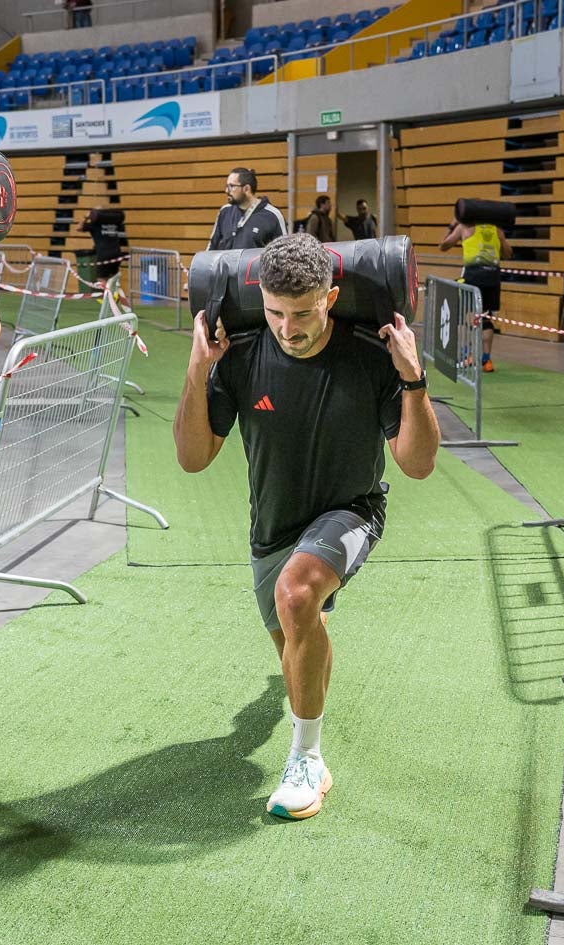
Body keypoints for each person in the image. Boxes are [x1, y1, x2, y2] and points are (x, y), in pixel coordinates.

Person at [173, 233, 440, 820]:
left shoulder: (373, 355)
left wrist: (414, 380)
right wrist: (199, 365)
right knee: (296, 642)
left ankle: (307, 761)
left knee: (295, 596)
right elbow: (193, 457)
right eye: (273, 312)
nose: (287, 329)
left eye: (302, 313)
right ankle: (298, 702)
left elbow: (417, 465)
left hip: (353, 511)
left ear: (332, 297)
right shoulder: (240, 357)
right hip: (273, 525)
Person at [439, 215, 512, 372]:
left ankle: (469, 355)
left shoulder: (464, 227)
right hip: (493, 277)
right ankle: (486, 360)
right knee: (485, 318)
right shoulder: (496, 230)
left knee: (467, 315)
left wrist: (452, 225)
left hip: (473, 276)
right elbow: (507, 253)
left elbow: (443, 245)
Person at [208, 167, 286, 252]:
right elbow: (211, 248)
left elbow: (284, 254)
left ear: (246, 189)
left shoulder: (272, 215)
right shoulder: (225, 212)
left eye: (231, 186)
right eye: (226, 186)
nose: (226, 190)